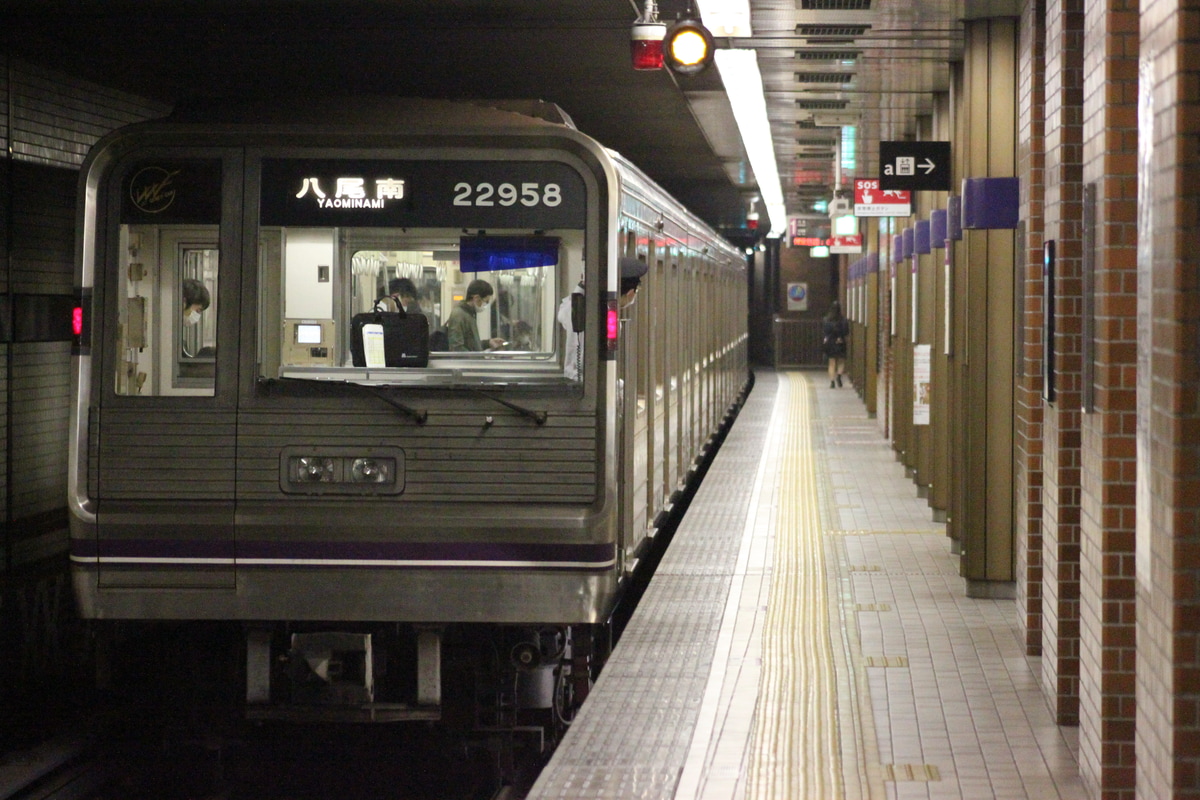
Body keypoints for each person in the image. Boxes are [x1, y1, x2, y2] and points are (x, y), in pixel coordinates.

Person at [557, 256, 647, 380]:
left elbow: (562, 313)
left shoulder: (577, 306)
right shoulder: (604, 315)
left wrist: (583, 286)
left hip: (575, 380)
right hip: (584, 382)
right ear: (631, 293)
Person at [445, 278, 505, 352]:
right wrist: (475, 359)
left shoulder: (470, 314)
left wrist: (488, 343)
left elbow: (471, 345)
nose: (486, 305)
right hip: (467, 363)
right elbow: (457, 348)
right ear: (476, 298)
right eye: (485, 301)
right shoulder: (459, 315)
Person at [822, 300, 849, 388]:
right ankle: (839, 376)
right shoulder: (843, 320)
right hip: (840, 342)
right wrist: (840, 337)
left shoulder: (826, 319)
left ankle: (832, 382)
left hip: (830, 342)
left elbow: (825, 331)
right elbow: (846, 331)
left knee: (831, 363)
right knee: (841, 361)